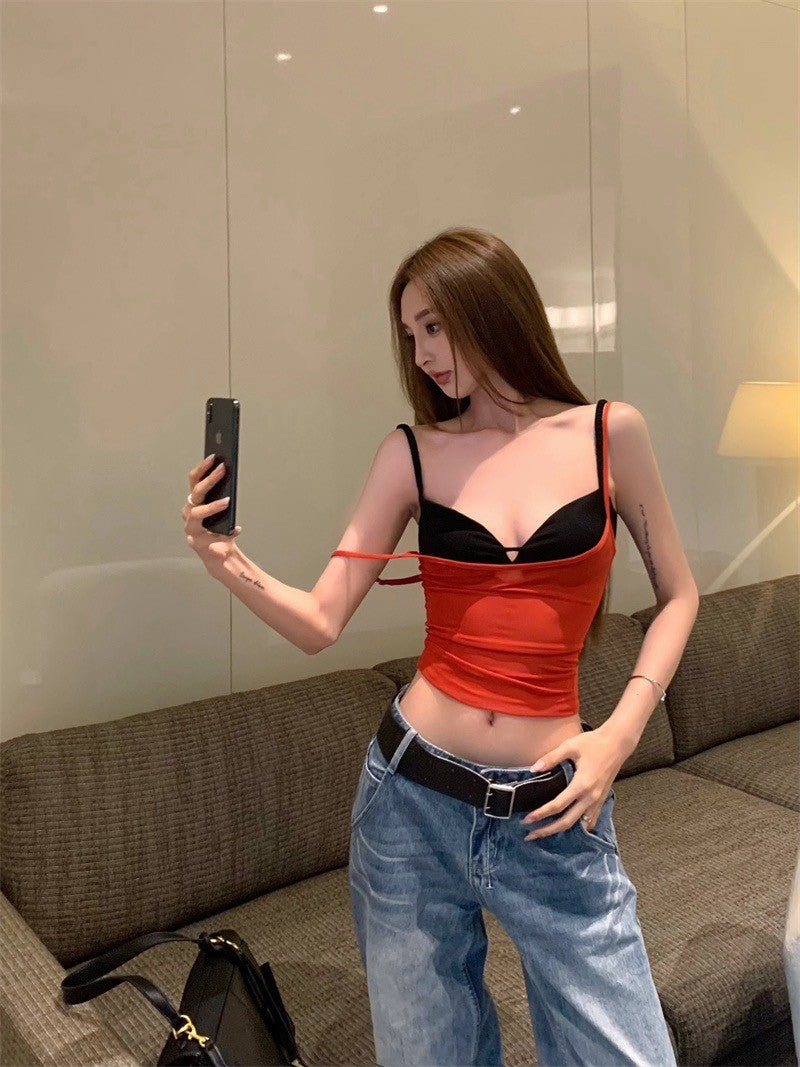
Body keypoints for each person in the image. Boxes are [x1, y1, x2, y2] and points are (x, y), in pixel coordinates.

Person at [183, 226, 700, 1066]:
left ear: (490, 308)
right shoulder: (412, 454)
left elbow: (679, 594)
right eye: (410, 333)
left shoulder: (612, 433)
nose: (421, 352)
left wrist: (620, 735)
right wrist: (223, 559)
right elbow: (320, 619)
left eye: (434, 325)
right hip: (409, 803)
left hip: (554, 807)